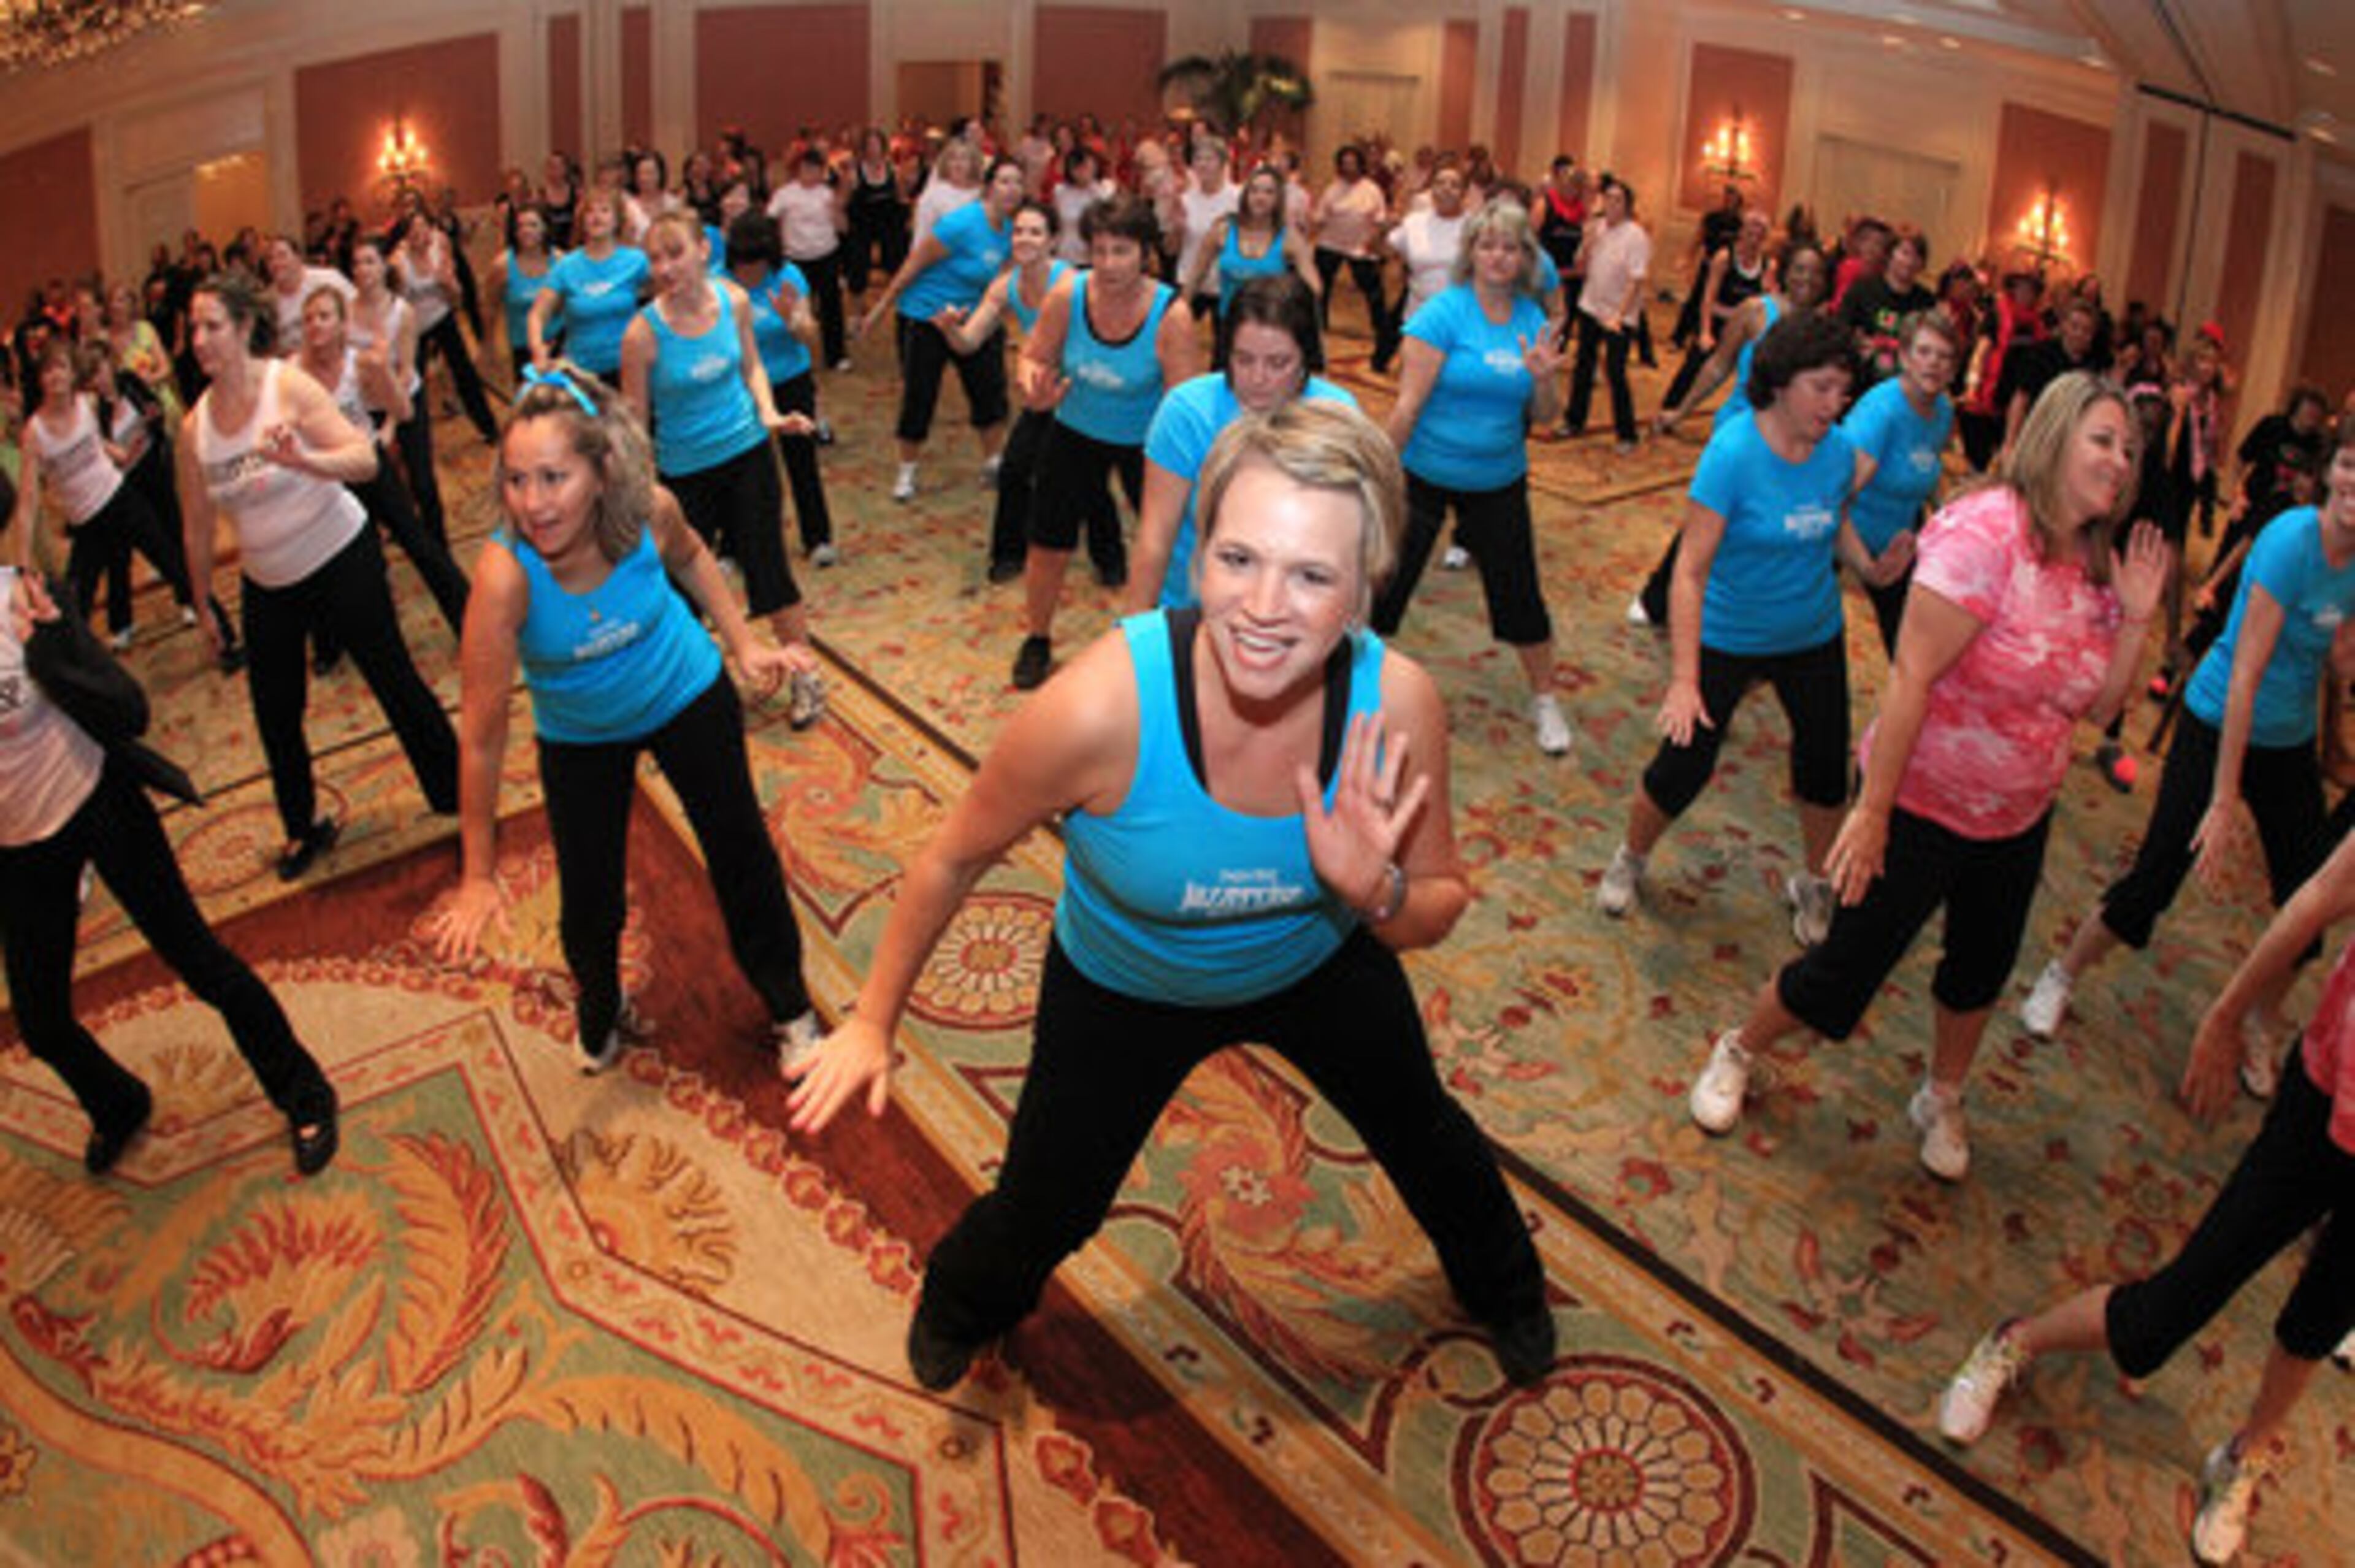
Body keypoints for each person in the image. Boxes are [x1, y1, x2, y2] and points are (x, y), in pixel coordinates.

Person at [782, 400, 1557, 1394]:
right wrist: (872, 1020)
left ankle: (1509, 1287)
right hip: (1124, 981)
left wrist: (1375, 888)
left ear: (1367, 589)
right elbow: (951, 856)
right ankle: (962, 1301)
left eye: (1313, 575)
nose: (1265, 606)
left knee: (1427, 1133)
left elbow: (1437, 902)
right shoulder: (1097, 707)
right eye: (1239, 558)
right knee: (1051, 1202)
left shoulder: (1397, 705)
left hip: (1317, 960)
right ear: (1198, 555)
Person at [1682, 372, 2166, 1177]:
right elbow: (1909, 675)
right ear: (2054, 436)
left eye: (2129, 448)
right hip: (1921, 800)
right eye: (2104, 440)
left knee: (1980, 967)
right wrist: (1872, 813)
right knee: (1842, 970)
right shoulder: (1986, 535)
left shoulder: (2096, 562)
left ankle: (1941, 1093)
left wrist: (2139, 615)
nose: (2121, 460)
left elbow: (2096, 708)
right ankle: (1739, 1047)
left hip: (2017, 813)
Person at [1937, 824, 2355, 1566]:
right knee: (2175, 1306)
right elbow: (2319, 897)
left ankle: (2246, 1453)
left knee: (2321, 1317)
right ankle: (2015, 1340)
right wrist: (2226, 1014)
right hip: (2327, 1103)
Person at [429, 366, 822, 1074]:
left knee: (740, 852)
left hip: (682, 691)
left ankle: (791, 1005)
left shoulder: (646, 511)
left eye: (554, 478)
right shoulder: (504, 577)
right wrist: (478, 874)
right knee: (589, 893)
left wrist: (744, 642)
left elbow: (695, 556)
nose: (533, 503)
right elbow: (483, 738)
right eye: (517, 481)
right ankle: (600, 1004)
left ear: (603, 469)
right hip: (581, 733)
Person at [2020, 417, 2355, 1080]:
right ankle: (2061, 973)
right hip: (2219, 717)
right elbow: (2245, 676)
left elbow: (2339, 656)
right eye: (2350, 466)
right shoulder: (2293, 542)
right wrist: (2224, 797)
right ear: (2328, 473)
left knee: (2310, 896)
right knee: (2157, 874)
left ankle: (2262, 1015)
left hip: (2287, 739)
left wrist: (2339, 726)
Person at [0, 564, 340, 1177]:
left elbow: (130, 711)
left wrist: (51, 651)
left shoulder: (24, 599)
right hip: (20, 847)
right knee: (41, 1021)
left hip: (97, 800)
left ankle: (305, 1092)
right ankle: (119, 1103)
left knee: (200, 961)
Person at [1595, 312, 1893, 941]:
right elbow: (1690, 572)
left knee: (1822, 768)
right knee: (1684, 767)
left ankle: (1814, 883)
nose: (1835, 405)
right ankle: (1632, 855)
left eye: (1844, 391)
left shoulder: (1839, 452)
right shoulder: (1733, 452)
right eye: (1822, 387)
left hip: (1812, 631)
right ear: (1782, 381)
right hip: (1728, 633)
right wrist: (1684, 678)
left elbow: (1832, 519)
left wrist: (1870, 565)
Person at [175, 271, 460, 879]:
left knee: (393, 678)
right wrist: (202, 603)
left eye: (211, 326)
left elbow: (361, 458)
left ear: (245, 327)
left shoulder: (289, 387)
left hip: (340, 554)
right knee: (276, 714)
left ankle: (455, 785)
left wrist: (304, 460)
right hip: (268, 582)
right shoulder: (194, 429)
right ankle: (303, 827)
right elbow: (197, 527)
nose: (198, 339)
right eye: (193, 328)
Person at [1369, 199, 1571, 754]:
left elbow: (1548, 416)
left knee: (1521, 596)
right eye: (1487, 246)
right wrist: (1379, 480)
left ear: (1524, 256)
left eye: (1509, 247)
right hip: (1425, 475)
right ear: (1471, 254)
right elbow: (1408, 407)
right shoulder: (1443, 315)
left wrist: (1544, 381)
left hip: (1499, 479)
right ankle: (1349, 689)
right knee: (1384, 584)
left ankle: (1546, 700)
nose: (1498, 257)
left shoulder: (1533, 320)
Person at [619, 212, 826, 729]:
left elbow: (751, 366)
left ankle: (805, 677)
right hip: (684, 474)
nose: (665, 268)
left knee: (770, 570)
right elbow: (634, 421)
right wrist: (644, 487)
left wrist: (769, 413)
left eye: (676, 253)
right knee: (684, 592)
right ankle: (689, 691)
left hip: (749, 454)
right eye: (655, 258)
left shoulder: (733, 301)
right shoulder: (641, 335)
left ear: (703, 252)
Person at [1007, 193, 1200, 690]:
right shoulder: (1068, 296)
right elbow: (1032, 356)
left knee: (1165, 543)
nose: (1109, 264)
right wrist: (1034, 386)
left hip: (1149, 443)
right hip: (1073, 431)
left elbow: (1184, 407)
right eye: (1100, 250)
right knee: (1049, 543)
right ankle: (1037, 637)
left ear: (1145, 254)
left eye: (1122, 251)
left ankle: (1162, 640)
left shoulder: (1170, 314)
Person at [1126, 275, 1356, 615]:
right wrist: (1133, 633)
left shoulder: (1337, 417)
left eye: (1278, 363)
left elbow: (1345, 546)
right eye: (1244, 360)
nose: (1258, 378)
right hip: (1191, 604)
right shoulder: (1189, 412)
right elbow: (1155, 537)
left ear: (1306, 359)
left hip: (1289, 611)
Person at [291, 284, 471, 635]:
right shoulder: (292, 372)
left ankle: (468, 619)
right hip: (330, 479)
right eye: (309, 318)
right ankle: (339, 641)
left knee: (418, 542)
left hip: (370, 465)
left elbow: (403, 411)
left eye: (324, 316)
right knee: (353, 567)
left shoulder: (359, 364)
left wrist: (384, 372)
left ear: (342, 325)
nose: (315, 325)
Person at [12, 342, 205, 654]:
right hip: (86, 521)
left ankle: (220, 629)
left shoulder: (87, 403)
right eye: (48, 370)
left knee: (171, 561)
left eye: (61, 367)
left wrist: (120, 451)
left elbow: (100, 438)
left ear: (73, 373)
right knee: (77, 604)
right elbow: (27, 504)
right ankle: (77, 675)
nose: (55, 376)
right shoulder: (34, 433)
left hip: (118, 498)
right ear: (40, 379)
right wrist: (22, 567)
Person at [857, 155, 1024, 503]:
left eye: (1018, 182)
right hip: (927, 316)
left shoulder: (1013, 231)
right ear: (989, 187)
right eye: (1005, 181)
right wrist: (880, 309)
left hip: (975, 315)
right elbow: (913, 264)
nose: (1012, 189)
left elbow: (1004, 282)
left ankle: (994, 462)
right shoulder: (961, 224)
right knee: (921, 395)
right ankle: (907, 472)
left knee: (990, 390)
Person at [930, 199, 1074, 584]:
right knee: (1014, 470)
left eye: (1035, 232)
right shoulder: (1004, 286)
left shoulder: (1068, 282)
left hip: (1078, 389)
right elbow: (969, 342)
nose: (1025, 239)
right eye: (1019, 231)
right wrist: (949, 329)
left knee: (1081, 476)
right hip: (1039, 390)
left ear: (1053, 241)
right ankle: (1008, 554)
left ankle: (1110, 556)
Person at [726, 210, 838, 573]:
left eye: (757, 265)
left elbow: (810, 337)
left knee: (801, 460)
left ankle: (818, 538)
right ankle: (734, 545)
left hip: (790, 378)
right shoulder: (721, 284)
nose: (751, 274)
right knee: (741, 467)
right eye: (744, 265)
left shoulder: (788, 278)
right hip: (741, 385)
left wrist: (793, 320)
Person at [1840, 312, 1959, 654]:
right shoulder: (1883, 411)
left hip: (1899, 542)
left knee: (1911, 642)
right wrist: (1864, 565)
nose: (1933, 364)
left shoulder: (1943, 412)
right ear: (1905, 357)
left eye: (1944, 357)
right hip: (1848, 535)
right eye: (1924, 352)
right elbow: (1837, 499)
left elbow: (1929, 470)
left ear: (1953, 369)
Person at [1185, 164, 1320, 365]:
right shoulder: (1223, 230)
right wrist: (1180, 309)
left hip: (1271, 327)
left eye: (1269, 192)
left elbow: (1314, 287)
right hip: (1228, 323)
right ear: (1245, 195)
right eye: (1254, 190)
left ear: (1278, 200)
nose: (1260, 197)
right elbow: (1196, 274)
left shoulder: (1289, 238)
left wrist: (1291, 304)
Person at [396, 209, 501, 445]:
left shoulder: (440, 246)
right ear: (406, 237)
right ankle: (415, 441)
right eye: (414, 232)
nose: (421, 236)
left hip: (442, 317)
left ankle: (489, 428)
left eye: (424, 230)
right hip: (414, 328)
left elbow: (457, 299)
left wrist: (448, 283)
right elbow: (395, 308)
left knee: (464, 371)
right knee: (414, 384)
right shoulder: (399, 262)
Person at [530, 188, 651, 383]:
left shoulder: (636, 261)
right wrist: (538, 350)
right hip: (581, 372)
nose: (597, 217)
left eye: (604, 210)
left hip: (628, 368)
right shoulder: (566, 266)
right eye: (590, 211)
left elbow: (665, 296)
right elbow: (538, 314)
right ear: (582, 221)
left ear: (617, 220)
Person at [1659, 207, 1771, 415]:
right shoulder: (1725, 257)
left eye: (1759, 235)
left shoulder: (1766, 265)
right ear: (1742, 232)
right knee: (1694, 365)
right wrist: (1705, 332)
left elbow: (1765, 301)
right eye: (1750, 233)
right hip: (1717, 323)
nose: (1753, 239)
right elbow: (1708, 298)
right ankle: (1670, 409)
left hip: (1743, 331)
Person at [766, 146, 850, 371]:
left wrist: (837, 210)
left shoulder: (827, 194)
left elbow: (843, 228)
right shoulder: (785, 194)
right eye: (806, 168)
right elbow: (770, 218)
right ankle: (792, 354)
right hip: (796, 258)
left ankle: (836, 355)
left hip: (826, 254)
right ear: (798, 169)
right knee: (796, 307)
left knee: (832, 307)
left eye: (816, 169)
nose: (811, 173)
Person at [1309, 145, 1390, 350]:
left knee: (1373, 290)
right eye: (1345, 164)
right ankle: (1318, 324)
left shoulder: (1372, 190)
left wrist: (1377, 241)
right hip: (1330, 243)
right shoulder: (1333, 189)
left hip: (1360, 247)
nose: (1349, 168)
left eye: (1353, 164)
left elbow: (1381, 219)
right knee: (1321, 287)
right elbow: (1320, 217)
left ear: (1360, 165)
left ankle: (1382, 329)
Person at [491, 205, 562, 381]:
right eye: (521, 226)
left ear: (545, 229)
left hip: (559, 341)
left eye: (533, 225)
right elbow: (490, 306)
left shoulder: (561, 260)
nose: (526, 231)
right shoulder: (502, 266)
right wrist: (490, 346)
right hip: (522, 345)